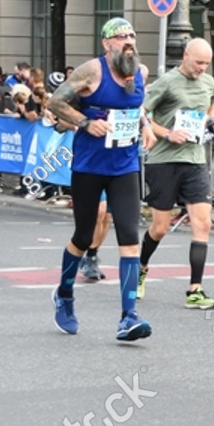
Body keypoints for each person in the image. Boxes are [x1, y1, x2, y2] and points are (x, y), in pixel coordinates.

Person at [44, 17, 150, 343]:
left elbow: (137, 106)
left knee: (130, 235)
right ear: (107, 43)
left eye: (132, 34)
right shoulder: (92, 71)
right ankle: (64, 293)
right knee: (84, 233)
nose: (129, 40)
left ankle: (128, 316)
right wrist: (86, 122)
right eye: (121, 36)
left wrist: (145, 125)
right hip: (90, 165)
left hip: (125, 165)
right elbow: (55, 102)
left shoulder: (141, 72)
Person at [137, 37, 214, 311]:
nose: (202, 68)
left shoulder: (208, 82)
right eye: (199, 62)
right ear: (186, 55)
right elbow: (142, 113)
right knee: (160, 228)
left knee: (203, 224)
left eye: (207, 64)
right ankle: (140, 268)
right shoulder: (166, 82)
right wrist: (167, 133)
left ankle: (195, 289)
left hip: (195, 158)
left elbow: (209, 109)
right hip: (164, 160)